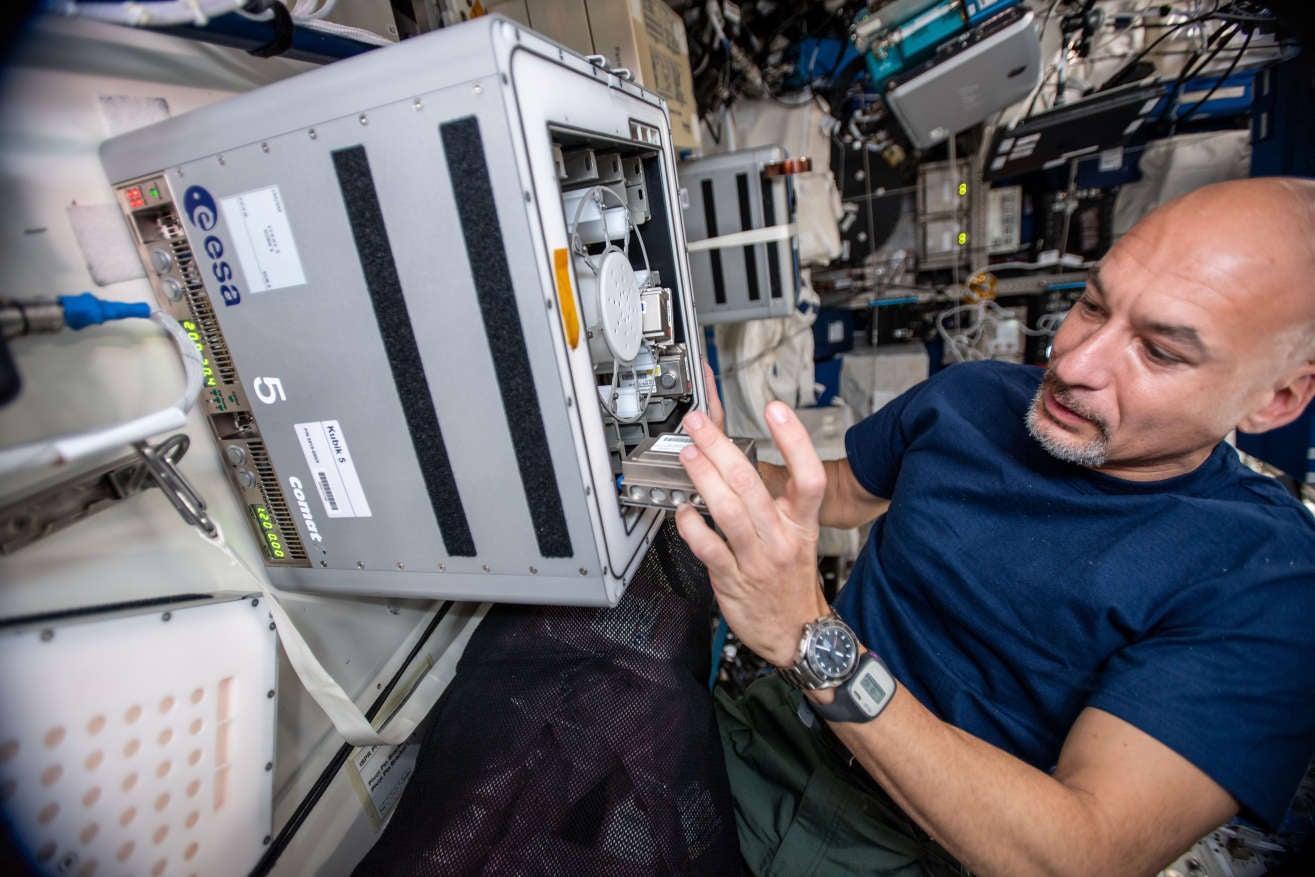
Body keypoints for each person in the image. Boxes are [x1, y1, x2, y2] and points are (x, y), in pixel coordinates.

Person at [675, 177, 1315, 876]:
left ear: (1275, 397)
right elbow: (840, 492)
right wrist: (703, 449)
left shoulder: (1268, 581)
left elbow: (1078, 852)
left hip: (914, 846)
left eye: (1158, 351)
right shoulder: (972, 397)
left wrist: (808, 634)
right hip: (758, 735)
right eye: (1090, 305)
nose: (1071, 364)